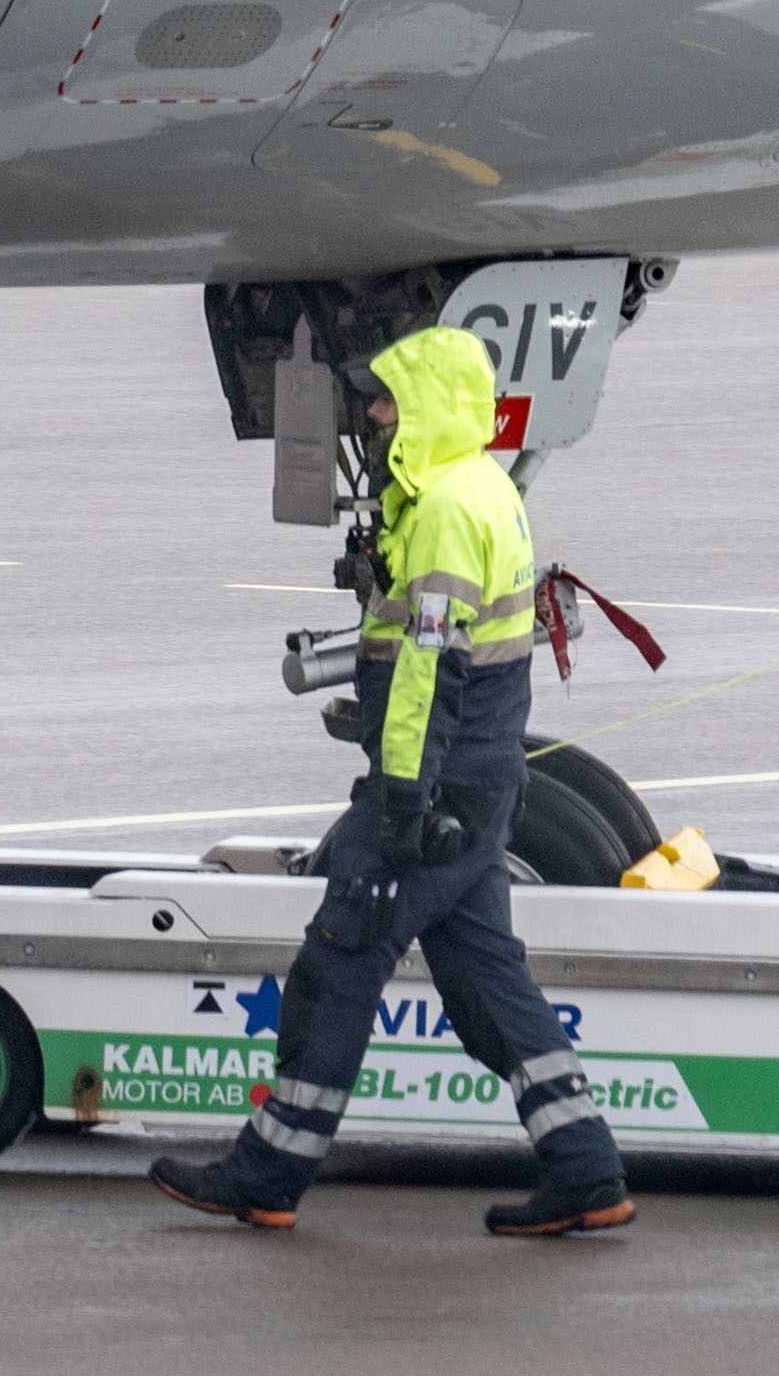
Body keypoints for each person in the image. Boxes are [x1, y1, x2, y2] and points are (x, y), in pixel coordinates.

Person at [160, 320, 633, 1242]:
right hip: (483, 776)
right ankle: (585, 1167)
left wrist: (407, 798)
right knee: (487, 977)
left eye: (385, 399)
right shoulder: (477, 489)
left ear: (426, 407)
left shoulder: (449, 507)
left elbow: (426, 669)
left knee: (341, 959)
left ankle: (268, 1170)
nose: (372, 415)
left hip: (438, 781)